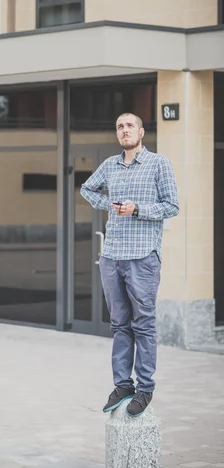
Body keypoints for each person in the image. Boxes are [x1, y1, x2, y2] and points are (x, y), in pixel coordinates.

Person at [80, 113, 179, 417]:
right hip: (111, 256)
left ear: (141, 132)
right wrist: (107, 205)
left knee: (143, 324)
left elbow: (172, 205)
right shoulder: (110, 164)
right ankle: (123, 384)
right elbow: (87, 189)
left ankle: (145, 388)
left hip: (142, 256)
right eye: (120, 127)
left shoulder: (158, 163)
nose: (124, 130)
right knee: (120, 324)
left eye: (129, 126)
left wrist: (138, 209)